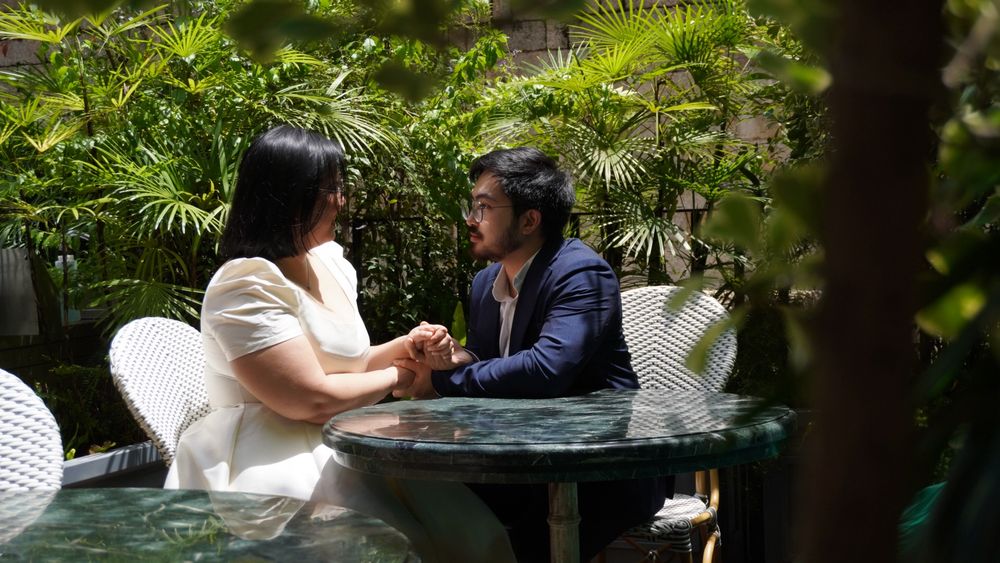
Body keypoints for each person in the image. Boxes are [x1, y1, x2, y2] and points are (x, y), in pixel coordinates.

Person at [165, 125, 514, 563]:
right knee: (385, 546)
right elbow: (308, 397)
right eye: (330, 188)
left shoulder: (328, 264)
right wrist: (400, 374)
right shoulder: (245, 284)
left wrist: (409, 344)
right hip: (268, 454)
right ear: (290, 195)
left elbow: (348, 362)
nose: (342, 201)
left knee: (472, 534)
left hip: (344, 433)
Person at [397, 146, 672, 562]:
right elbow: (494, 361)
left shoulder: (581, 273)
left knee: (510, 548)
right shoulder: (486, 283)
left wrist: (440, 381)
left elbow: (546, 369)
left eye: (484, 208)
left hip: (598, 471)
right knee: (416, 507)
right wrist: (457, 357)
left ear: (530, 219)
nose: (471, 220)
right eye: (471, 206)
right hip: (516, 466)